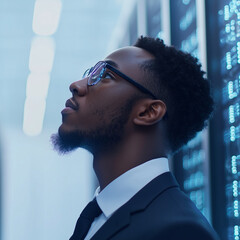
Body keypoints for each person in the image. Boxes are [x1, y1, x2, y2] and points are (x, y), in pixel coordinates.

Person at [51, 36, 219, 240]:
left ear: (148, 112)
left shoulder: (181, 232)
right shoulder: (99, 214)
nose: (77, 85)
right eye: (91, 73)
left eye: (105, 76)